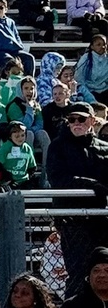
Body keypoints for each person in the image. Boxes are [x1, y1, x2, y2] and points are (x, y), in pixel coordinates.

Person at [46, 100, 108, 297]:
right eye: (71, 119)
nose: (76, 123)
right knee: (78, 272)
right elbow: (58, 178)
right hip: (72, 219)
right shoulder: (57, 147)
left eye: (81, 119)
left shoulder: (104, 147)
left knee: (105, 271)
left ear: (91, 121)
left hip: (101, 218)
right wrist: (93, 185)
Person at [0, 0, 36, 77]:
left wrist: (19, 46)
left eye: (0, 7)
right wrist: (0, 45)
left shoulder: (10, 22)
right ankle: (8, 83)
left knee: (29, 58)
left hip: (12, 51)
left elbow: (17, 36)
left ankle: (27, 81)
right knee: (11, 61)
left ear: (6, 9)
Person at [6, 74, 49, 171]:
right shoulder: (14, 105)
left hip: (32, 133)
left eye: (32, 88)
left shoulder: (36, 105)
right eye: (26, 88)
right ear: (20, 90)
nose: (29, 91)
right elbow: (23, 126)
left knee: (43, 134)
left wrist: (33, 130)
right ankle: (30, 166)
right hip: (16, 136)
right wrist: (29, 109)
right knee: (28, 134)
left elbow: (40, 124)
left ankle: (46, 168)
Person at [0, 121, 39, 186]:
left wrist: (28, 177)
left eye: (22, 135)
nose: (20, 138)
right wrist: (6, 176)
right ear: (10, 136)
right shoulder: (6, 147)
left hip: (24, 181)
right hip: (8, 182)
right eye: (17, 136)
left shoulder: (27, 148)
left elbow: (32, 167)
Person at [75, 34, 108, 104]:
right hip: (89, 90)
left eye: (104, 44)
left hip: (105, 90)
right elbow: (80, 78)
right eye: (98, 45)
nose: (102, 47)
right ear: (92, 47)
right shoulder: (86, 58)